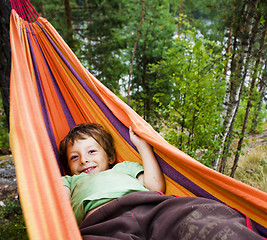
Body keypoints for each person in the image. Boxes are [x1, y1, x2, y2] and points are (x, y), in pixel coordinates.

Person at [60, 123, 264, 240]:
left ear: (111, 157)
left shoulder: (125, 168)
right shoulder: (69, 181)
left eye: (92, 152)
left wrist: (143, 146)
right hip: (103, 224)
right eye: (74, 157)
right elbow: (56, 205)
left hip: (151, 208)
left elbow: (155, 186)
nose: (84, 160)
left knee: (204, 217)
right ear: (68, 166)